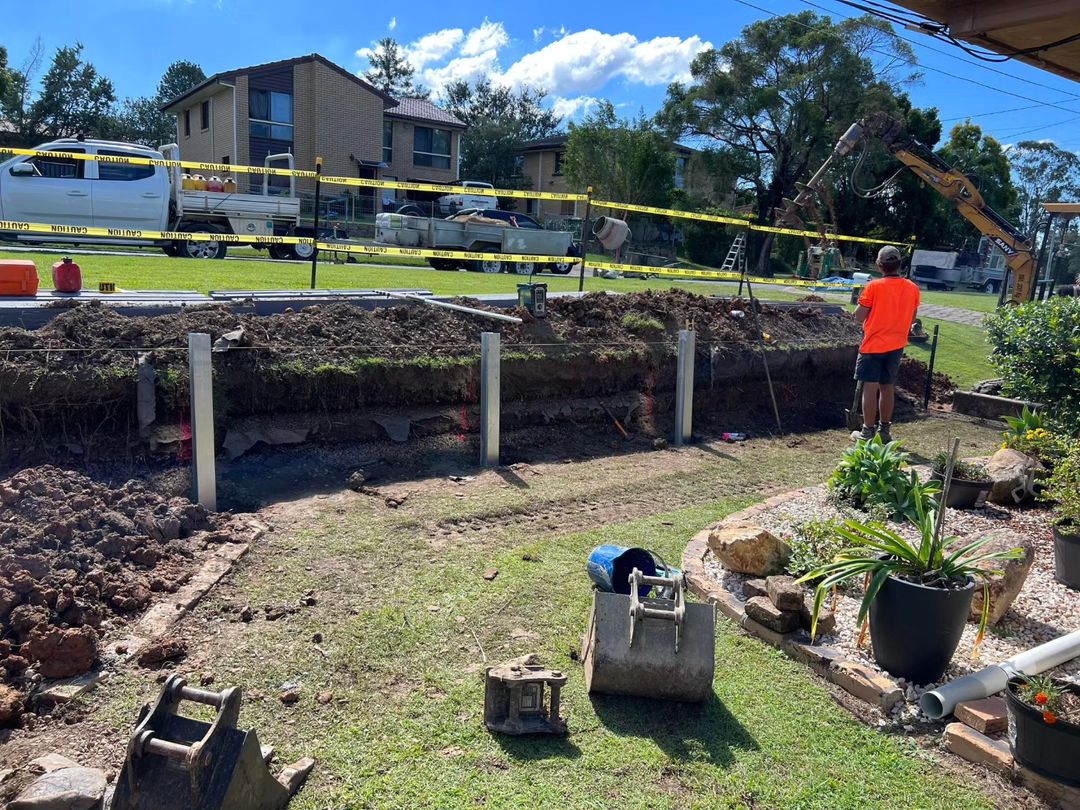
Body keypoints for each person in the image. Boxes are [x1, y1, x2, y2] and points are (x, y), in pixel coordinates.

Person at [851, 245, 921, 443]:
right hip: (896, 345)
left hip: (873, 345)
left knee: (870, 388)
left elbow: (858, 317)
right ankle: (884, 431)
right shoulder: (912, 288)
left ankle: (867, 432)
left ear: (879, 265)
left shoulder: (874, 287)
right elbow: (912, 317)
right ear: (899, 264)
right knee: (887, 387)